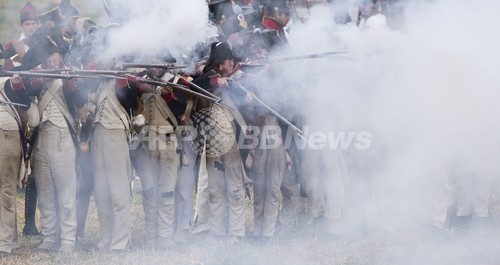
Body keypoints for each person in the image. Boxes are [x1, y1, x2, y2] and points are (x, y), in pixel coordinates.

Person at [7, 27, 86, 254]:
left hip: (63, 138)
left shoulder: (69, 75)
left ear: (61, 58)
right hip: (41, 139)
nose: (53, 61)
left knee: (66, 194)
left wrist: (70, 82)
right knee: (46, 193)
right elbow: (24, 97)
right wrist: (33, 78)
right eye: (49, 58)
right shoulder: (38, 77)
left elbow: (80, 101)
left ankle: (68, 239)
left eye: (56, 57)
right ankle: (49, 237)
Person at [191, 41, 251, 243]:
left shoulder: (240, 79)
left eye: (226, 62)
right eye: (222, 62)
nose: (224, 66)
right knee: (215, 190)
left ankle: (236, 233)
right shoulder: (209, 79)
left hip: (232, 140)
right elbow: (195, 85)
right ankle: (217, 232)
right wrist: (217, 82)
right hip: (212, 142)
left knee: (235, 189)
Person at [1, 2, 39, 70]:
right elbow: (6, 71)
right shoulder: (11, 46)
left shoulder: (46, 43)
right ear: (21, 26)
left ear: (37, 25)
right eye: (27, 24)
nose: (31, 27)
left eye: (33, 24)